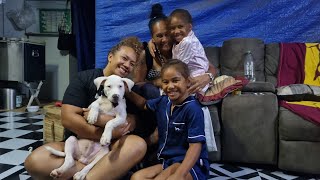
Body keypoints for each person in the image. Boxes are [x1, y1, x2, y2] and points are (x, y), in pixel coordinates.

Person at [24, 37, 147, 180]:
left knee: (137, 145)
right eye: (124, 58)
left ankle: (86, 176)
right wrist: (107, 132)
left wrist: (106, 122)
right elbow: (68, 118)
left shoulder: (127, 90)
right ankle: (103, 173)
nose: (127, 65)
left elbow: (131, 121)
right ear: (110, 56)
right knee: (35, 162)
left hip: (109, 149)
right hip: (79, 143)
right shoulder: (84, 78)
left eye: (132, 64)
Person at [127, 59, 209, 180]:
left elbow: (195, 146)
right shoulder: (163, 102)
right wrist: (126, 91)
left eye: (175, 80)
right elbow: (144, 104)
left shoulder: (193, 109)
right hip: (168, 162)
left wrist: (180, 175)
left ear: (187, 81)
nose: (170, 86)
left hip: (191, 165)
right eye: (165, 82)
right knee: (136, 177)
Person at [169, 8, 212, 93]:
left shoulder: (188, 42)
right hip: (189, 75)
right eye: (172, 28)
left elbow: (179, 67)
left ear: (189, 27)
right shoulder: (177, 42)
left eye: (180, 26)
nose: (176, 31)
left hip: (196, 79)